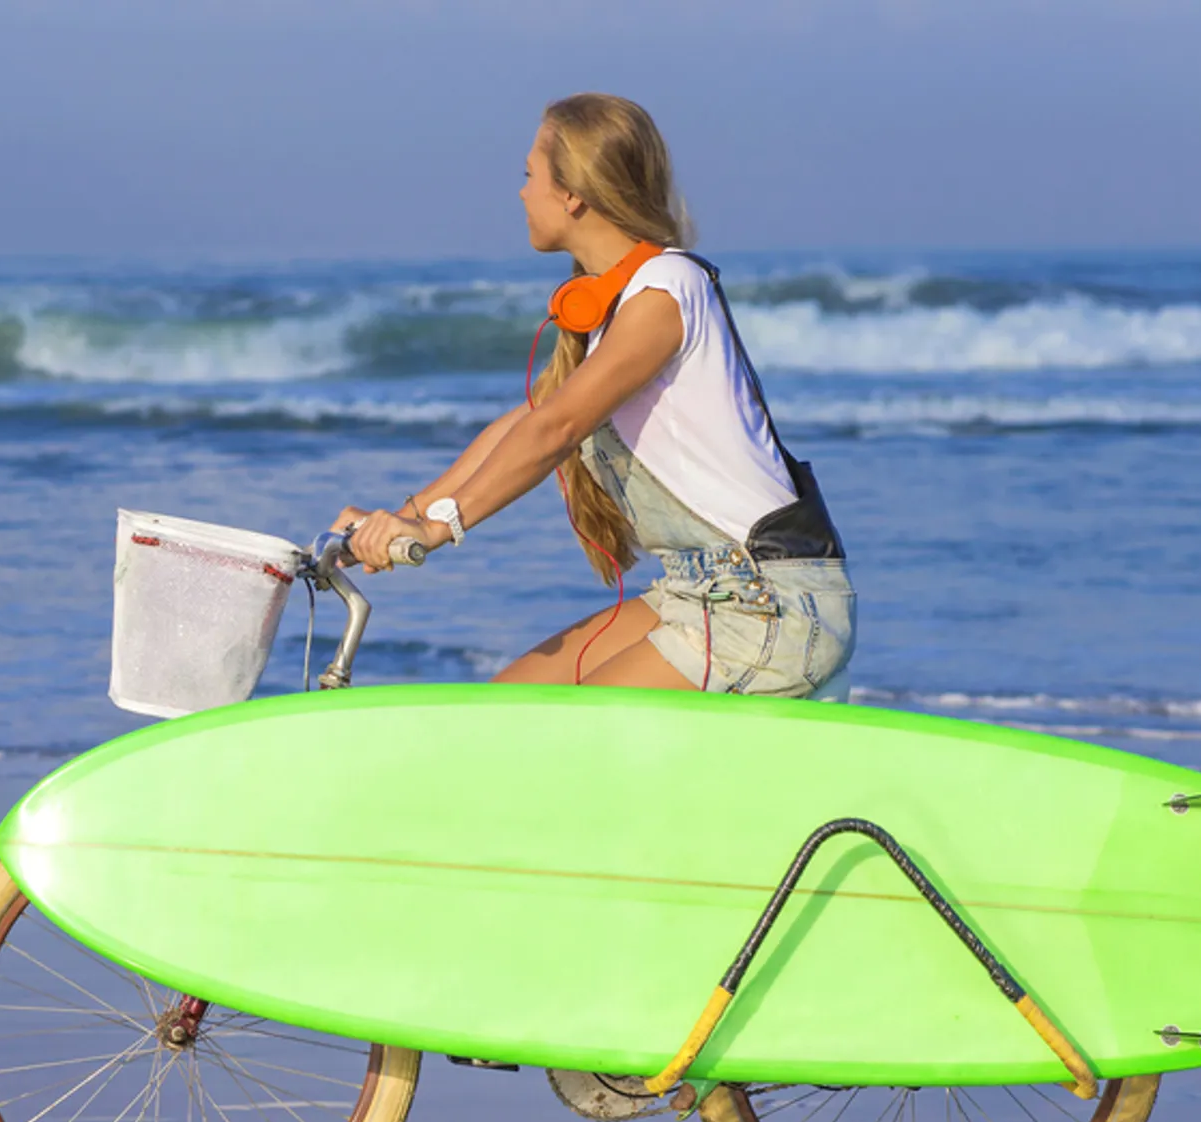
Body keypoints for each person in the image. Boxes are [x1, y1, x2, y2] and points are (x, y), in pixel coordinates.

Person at [332, 93, 856, 697]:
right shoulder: (612, 309)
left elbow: (555, 429)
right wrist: (407, 515)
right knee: (501, 709)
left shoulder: (667, 289)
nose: (523, 193)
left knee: (555, 741)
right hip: (697, 594)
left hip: (767, 609)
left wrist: (440, 530)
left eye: (530, 176)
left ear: (573, 193)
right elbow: (524, 423)